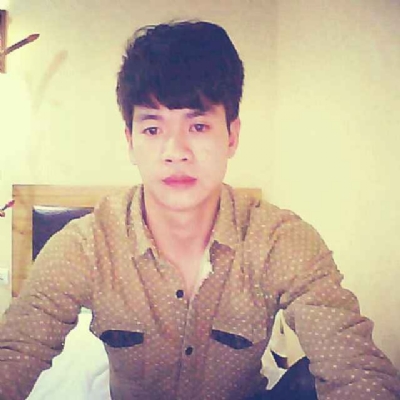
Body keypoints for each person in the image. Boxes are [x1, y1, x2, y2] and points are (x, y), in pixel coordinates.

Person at [0, 20, 399, 400]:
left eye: (199, 126)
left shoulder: (281, 242)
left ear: (232, 136)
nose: (176, 152)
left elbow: (356, 369)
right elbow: (16, 351)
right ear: (131, 141)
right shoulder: (85, 246)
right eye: (153, 129)